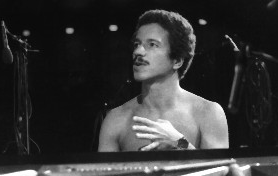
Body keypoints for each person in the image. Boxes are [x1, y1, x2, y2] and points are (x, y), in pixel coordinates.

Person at [98, 9, 229, 151]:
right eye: (137, 44)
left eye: (152, 44)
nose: (138, 52)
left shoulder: (208, 113)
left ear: (177, 61)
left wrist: (180, 143)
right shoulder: (115, 120)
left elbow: (219, 172)